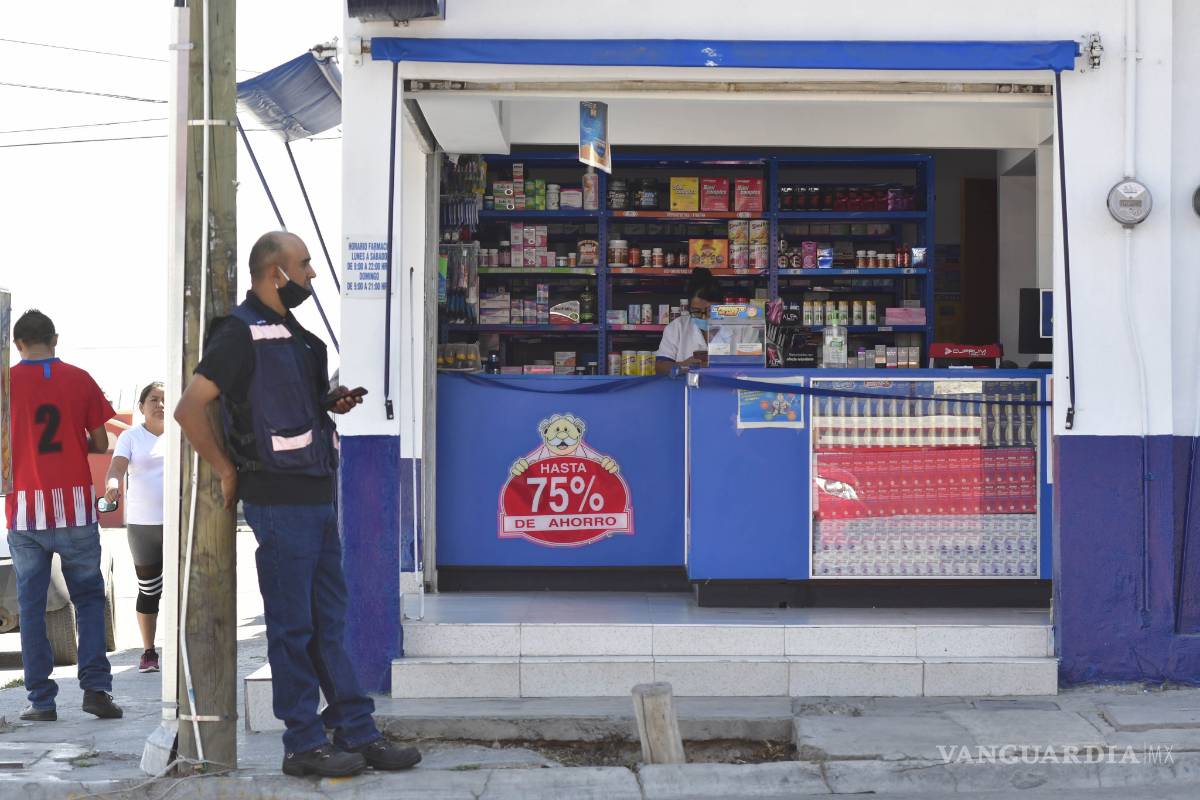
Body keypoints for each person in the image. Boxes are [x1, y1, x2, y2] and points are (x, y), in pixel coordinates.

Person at [173, 231, 421, 778]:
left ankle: (357, 732)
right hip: (276, 500)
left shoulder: (295, 334)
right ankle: (302, 745)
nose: (311, 274)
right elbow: (190, 408)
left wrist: (328, 401)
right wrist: (225, 468)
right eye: (303, 265)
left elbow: (288, 405)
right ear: (274, 273)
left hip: (313, 492)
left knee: (329, 622)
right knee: (292, 628)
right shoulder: (237, 333)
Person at [5, 309, 123, 722]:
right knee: (89, 599)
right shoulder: (79, 378)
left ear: (17, 344)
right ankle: (96, 690)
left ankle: (41, 700)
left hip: (24, 511)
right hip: (74, 507)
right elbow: (100, 439)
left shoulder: (6, 383)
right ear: (55, 339)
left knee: (32, 607)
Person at [103, 381, 165, 673]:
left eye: (166, 399)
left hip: (179, 525)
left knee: (185, 590)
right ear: (142, 406)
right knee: (149, 590)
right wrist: (113, 484)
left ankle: (186, 647)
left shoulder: (183, 433)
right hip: (143, 526)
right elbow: (116, 467)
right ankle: (149, 651)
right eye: (154, 399)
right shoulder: (131, 436)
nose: (160, 404)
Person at [655, 268, 724, 375]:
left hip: (727, 389)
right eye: (697, 311)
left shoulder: (742, 328)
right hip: (685, 388)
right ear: (689, 308)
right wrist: (683, 365)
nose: (704, 317)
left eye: (710, 311)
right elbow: (660, 367)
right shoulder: (677, 327)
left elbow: (753, 365)